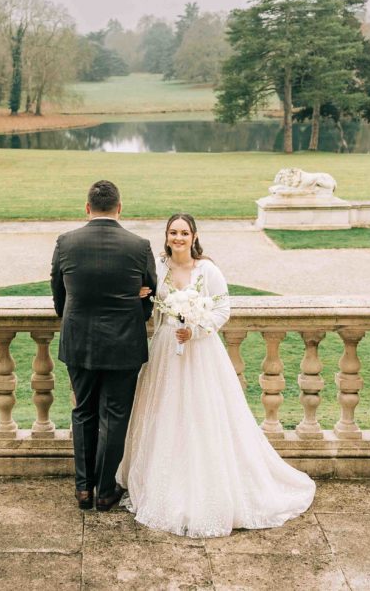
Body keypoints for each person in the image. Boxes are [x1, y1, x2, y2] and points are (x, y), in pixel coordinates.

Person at [117, 213, 315, 538]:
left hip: (200, 352)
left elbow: (223, 310)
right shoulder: (158, 266)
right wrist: (142, 294)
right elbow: (150, 299)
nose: (178, 238)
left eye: (183, 232)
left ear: (194, 236)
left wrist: (194, 329)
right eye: (172, 232)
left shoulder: (208, 270)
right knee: (165, 414)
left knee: (202, 415)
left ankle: (210, 488)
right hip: (166, 350)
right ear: (166, 236)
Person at [51, 180, 157, 511]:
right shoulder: (139, 245)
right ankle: (106, 489)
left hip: (79, 340)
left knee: (83, 411)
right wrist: (135, 311)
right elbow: (149, 294)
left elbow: (58, 294)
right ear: (119, 208)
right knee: (115, 415)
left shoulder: (66, 242)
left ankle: (83, 489)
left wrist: (71, 319)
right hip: (123, 343)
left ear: (87, 208)